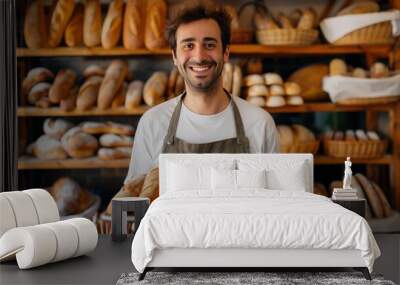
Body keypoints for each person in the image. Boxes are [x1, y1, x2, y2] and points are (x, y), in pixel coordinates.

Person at [124, 2, 279, 183]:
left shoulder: (259, 123)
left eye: (210, 45)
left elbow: (275, 202)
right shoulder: (153, 123)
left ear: (226, 52)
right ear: (174, 56)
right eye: (188, 45)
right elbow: (134, 201)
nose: (199, 57)